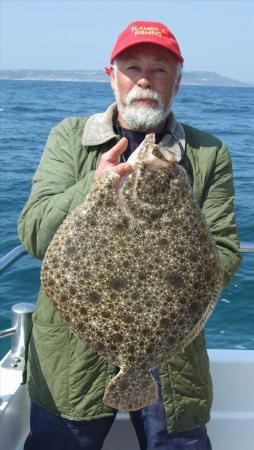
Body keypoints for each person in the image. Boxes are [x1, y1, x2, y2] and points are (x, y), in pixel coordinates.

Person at [18, 20, 241, 450]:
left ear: (177, 81)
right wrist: (94, 186)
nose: (144, 79)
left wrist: (171, 251)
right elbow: (33, 233)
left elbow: (227, 252)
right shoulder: (69, 138)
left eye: (159, 70)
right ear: (112, 76)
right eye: (132, 66)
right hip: (72, 358)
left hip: (174, 357)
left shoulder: (208, 153)